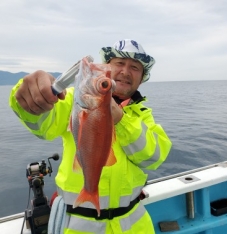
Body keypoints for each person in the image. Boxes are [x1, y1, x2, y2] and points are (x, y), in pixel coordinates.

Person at [9, 39, 172, 234]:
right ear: (107, 68)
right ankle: (89, 191)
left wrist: (121, 119)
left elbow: (153, 157)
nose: (126, 72)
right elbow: (42, 124)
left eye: (135, 68)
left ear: (142, 77)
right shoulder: (71, 101)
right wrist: (30, 95)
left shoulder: (143, 115)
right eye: (119, 63)